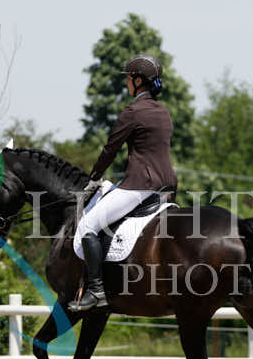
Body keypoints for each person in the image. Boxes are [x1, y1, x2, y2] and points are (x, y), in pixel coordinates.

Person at [69, 53, 178, 312]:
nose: (127, 82)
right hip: (167, 186)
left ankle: (96, 291)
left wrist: (94, 178)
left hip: (140, 185)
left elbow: (110, 149)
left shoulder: (133, 112)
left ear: (138, 81)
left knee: (87, 226)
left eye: (129, 78)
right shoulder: (164, 112)